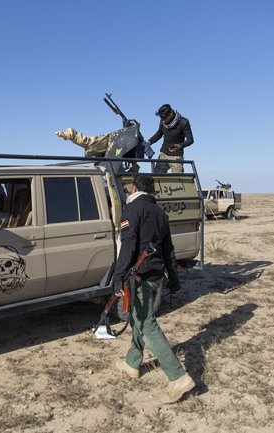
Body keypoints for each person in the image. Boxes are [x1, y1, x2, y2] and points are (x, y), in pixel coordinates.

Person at [112, 173, 195, 404]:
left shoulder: (132, 210)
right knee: (140, 317)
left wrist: (118, 277)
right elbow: (169, 249)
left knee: (147, 322)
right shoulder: (160, 213)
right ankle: (132, 363)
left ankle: (177, 376)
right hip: (157, 275)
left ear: (133, 187)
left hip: (140, 276)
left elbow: (127, 246)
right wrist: (174, 279)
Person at [149, 104, 194, 174]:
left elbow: (190, 140)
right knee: (156, 177)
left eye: (164, 118)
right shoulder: (162, 121)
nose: (163, 121)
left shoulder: (184, 122)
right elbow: (158, 134)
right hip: (163, 154)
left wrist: (179, 146)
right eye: (161, 119)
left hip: (176, 156)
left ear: (171, 114)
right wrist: (148, 142)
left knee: (178, 179)